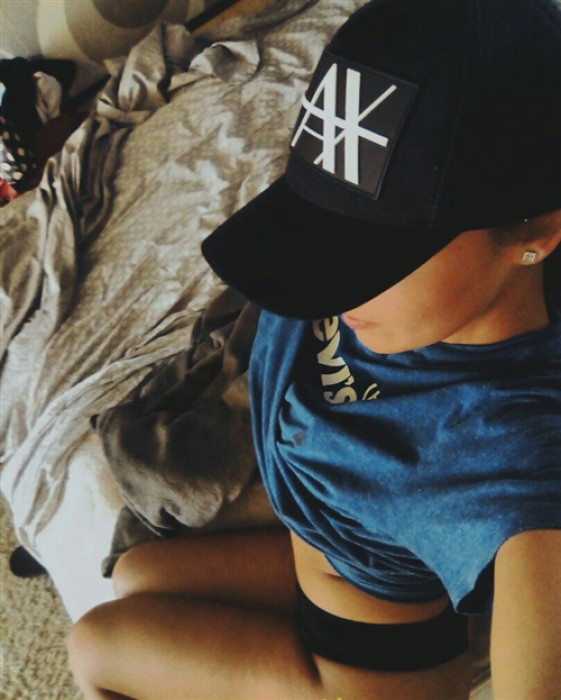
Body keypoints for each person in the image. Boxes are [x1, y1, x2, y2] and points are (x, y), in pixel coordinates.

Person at [67, 0, 561, 698]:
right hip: (333, 552)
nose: (327, 284)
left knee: (95, 648)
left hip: (365, 671)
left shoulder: (517, 456)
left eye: (374, 255)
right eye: (321, 230)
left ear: (534, 228)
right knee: (133, 575)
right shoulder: (413, 302)